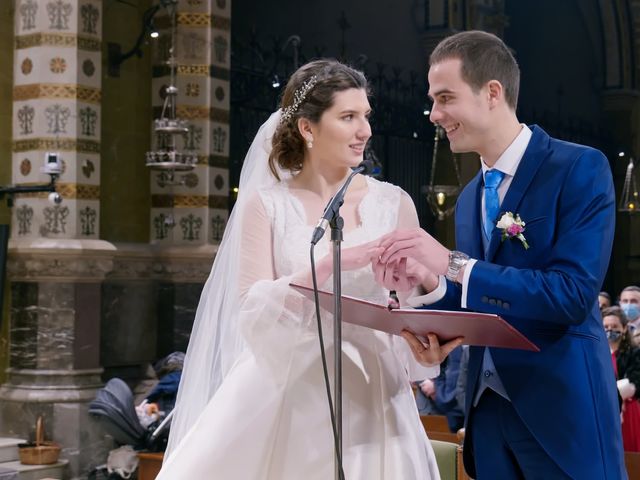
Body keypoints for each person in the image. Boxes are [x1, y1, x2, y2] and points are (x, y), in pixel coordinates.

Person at [156, 59, 461, 479]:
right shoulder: (266, 206)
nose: (365, 131)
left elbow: (415, 304)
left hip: (373, 390)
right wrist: (330, 266)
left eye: (366, 116)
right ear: (307, 128)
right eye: (348, 117)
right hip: (287, 389)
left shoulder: (394, 203)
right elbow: (250, 309)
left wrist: (421, 296)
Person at [373, 30, 626, 478]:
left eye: (445, 98)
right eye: (432, 100)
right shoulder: (471, 196)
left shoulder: (578, 168)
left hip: (561, 410)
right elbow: (478, 299)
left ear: (492, 93)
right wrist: (428, 288)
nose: (434, 114)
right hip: (487, 416)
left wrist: (450, 262)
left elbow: (570, 295)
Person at [602, 306, 640, 452]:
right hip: (605, 410)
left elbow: (636, 381)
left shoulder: (635, 352)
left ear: (624, 328)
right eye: (605, 327)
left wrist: (617, 393)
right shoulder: (597, 354)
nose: (610, 330)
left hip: (628, 411)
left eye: (615, 326)